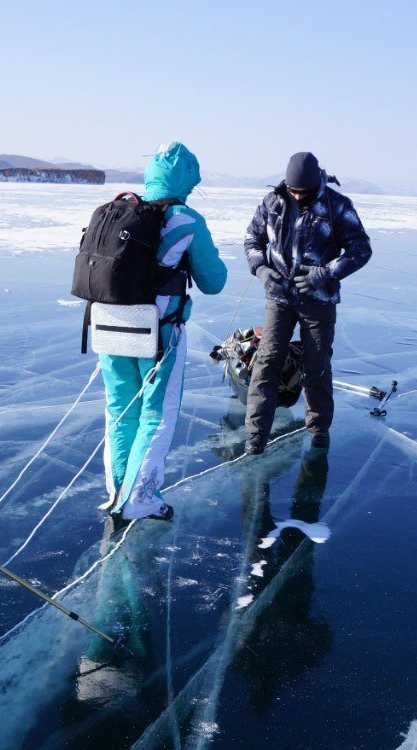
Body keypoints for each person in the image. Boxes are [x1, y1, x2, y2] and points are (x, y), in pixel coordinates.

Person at [100, 142, 227, 520]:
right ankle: (140, 498)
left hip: (107, 324)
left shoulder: (118, 211)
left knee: (119, 411)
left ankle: (116, 494)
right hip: (157, 332)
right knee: (156, 414)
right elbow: (214, 281)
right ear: (188, 179)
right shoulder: (186, 219)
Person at [243, 152, 372, 455]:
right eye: (293, 190)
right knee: (267, 360)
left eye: (304, 191)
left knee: (316, 364)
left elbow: (361, 250)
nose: (298, 196)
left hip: (318, 300)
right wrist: (262, 270)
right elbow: (252, 239)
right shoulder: (272, 202)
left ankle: (319, 430)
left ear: (317, 184)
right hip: (280, 297)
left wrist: (324, 273)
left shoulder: (336, 206)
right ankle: (256, 434)